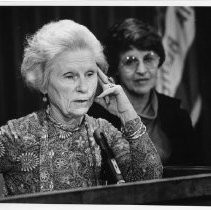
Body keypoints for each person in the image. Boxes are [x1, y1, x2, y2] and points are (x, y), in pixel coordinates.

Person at [0, 19, 162, 197]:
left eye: (90, 74)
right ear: (43, 83)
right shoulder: (14, 136)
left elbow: (151, 183)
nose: (84, 87)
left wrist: (127, 113)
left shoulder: (103, 131)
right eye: (70, 76)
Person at [88, 18, 197, 167]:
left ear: (159, 61)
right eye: (130, 61)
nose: (141, 70)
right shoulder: (96, 117)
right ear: (116, 67)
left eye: (149, 59)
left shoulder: (178, 115)